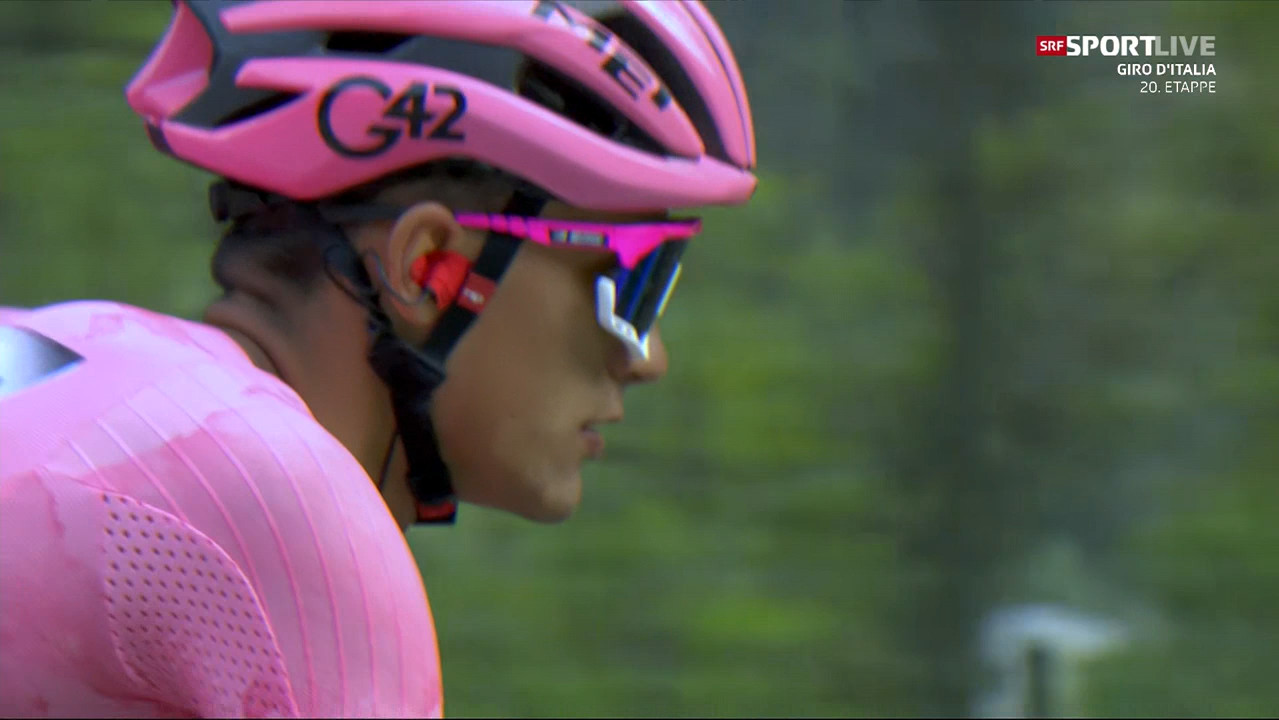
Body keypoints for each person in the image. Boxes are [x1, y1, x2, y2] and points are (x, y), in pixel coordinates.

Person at [0, 0, 756, 716]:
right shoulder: (289, 507)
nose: (648, 358)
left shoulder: (74, 343)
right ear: (426, 267)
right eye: (628, 281)